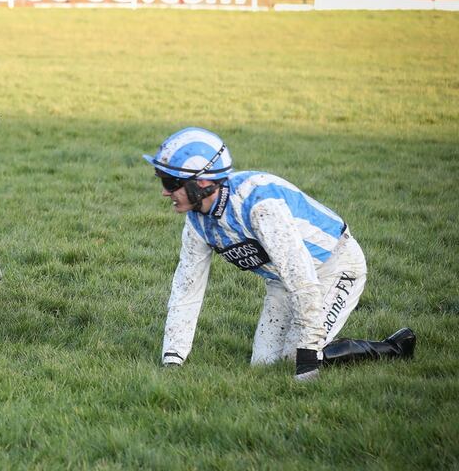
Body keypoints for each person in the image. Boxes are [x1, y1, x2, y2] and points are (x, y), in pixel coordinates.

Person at [143, 127, 415, 381]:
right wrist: (173, 359)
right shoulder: (196, 223)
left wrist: (308, 356)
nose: (165, 192)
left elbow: (301, 276)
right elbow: (187, 287)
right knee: (264, 368)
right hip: (283, 281)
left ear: (202, 182)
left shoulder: (260, 205)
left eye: (171, 182)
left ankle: (394, 348)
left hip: (335, 266)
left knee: (294, 359)